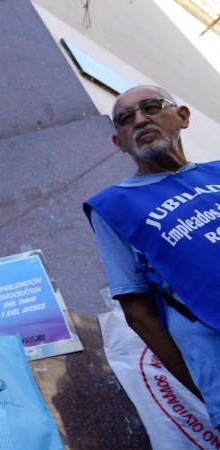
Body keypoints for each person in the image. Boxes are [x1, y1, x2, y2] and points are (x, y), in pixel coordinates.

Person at [83, 85, 220, 431]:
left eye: (152, 107)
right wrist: (202, 388)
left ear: (182, 117)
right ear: (119, 142)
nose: (141, 120)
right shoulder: (114, 207)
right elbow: (139, 315)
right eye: (126, 119)